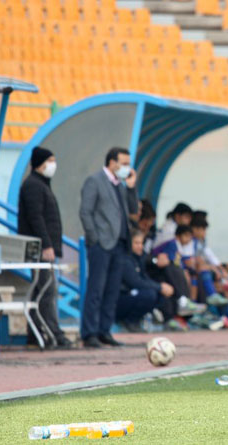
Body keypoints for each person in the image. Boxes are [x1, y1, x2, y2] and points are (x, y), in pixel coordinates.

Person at [78, 147, 139, 348]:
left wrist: (131, 187)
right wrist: (94, 238)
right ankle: (89, 333)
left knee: (112, 291)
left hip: (120, 244)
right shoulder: (95, 181)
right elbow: (85, 212)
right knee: (96, 289)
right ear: (112, 162)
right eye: (124, 163)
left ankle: (104, 330)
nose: (127, 168)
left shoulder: (120, 185)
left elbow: (132, 210)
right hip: (102, 244)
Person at [17, 147, 72, 348]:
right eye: (50, 160)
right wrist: (46, 245)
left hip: (43, 247)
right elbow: (36, 218)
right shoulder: (33, 185)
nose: (53, 165)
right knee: (47, 291)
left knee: (39, 290)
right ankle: (54, 334)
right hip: (40, 248)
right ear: (40, 163)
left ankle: (35, 335)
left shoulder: (41, 185)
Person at [116, 230, 173, 332]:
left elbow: (144, 278)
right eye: (136, 243)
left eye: (141, 243)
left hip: (132, 294)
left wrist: (161, 287)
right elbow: (135, 282)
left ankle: (142, 319)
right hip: (121, 297)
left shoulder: (139, 257)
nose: (140, 246)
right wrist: (159, 287)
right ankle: (130, 321)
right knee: (149, 295)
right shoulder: (125, 259)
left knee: (159, 293)